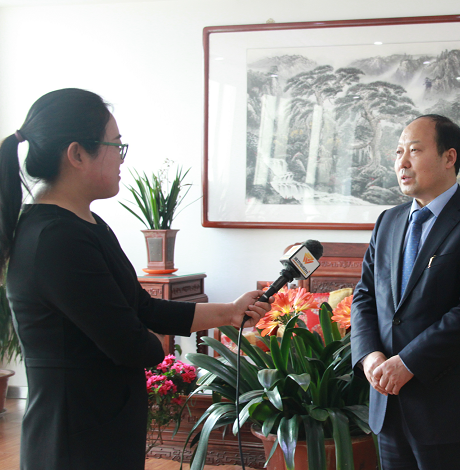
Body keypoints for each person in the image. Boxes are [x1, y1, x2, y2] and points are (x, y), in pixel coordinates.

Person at [0, 88, 271, 470]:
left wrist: (229, 312)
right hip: (74, 439)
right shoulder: (56, 239)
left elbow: (140, 307)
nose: (121, 158)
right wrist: (152, 345)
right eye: (116, 146)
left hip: (102, 425)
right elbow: (130, 345)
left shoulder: (83, 224)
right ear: (77, 154)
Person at [351, 114, 460, 470]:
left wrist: (408, 362)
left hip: (452, 412)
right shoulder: (388, 221)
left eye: (414, 150)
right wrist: (369, 356)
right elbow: (364, 295)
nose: (402, 163)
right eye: (398, 152)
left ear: (449, 157)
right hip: (389, 405)